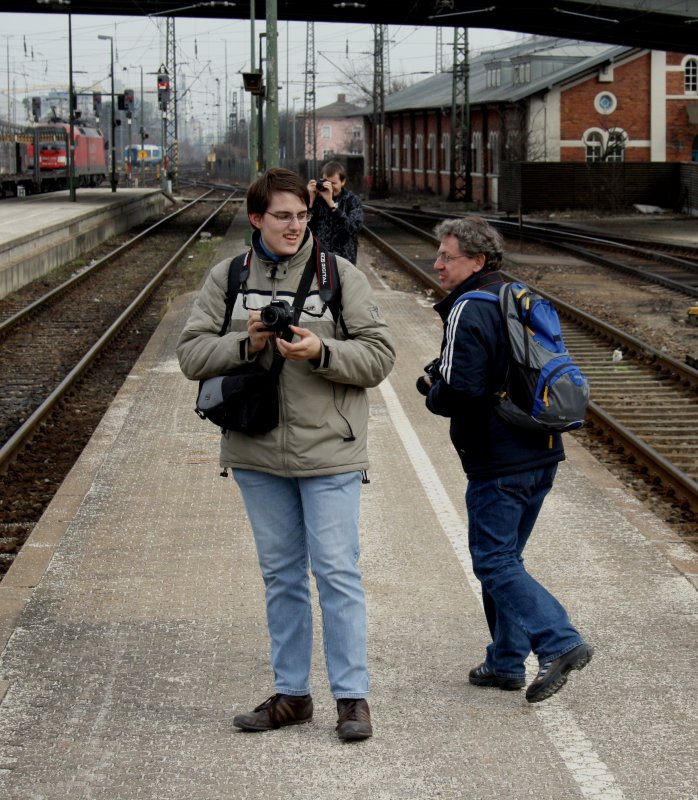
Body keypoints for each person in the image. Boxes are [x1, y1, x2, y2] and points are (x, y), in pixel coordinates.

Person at [177, 168, 395, 739]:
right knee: (282, 577)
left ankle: (352, 698)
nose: (296, 225)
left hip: (329, 451)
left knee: (337, 573)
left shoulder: (340, 277)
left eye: (302, 215)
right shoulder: (228, 277)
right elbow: (191, 355)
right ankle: (292, 695)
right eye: (283, 216)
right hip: (256, 450)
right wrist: (245, 343)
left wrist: (321, 351)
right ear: (257, 219)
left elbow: (379, 357)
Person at [416, 215, 593, 703]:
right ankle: (505, 662)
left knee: (493, 562)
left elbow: (462, 390)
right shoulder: (516, 294)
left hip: (499, 458)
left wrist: (431, 391)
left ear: (476, 260)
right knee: (506, 558)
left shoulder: (468, 308)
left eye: (446, 256)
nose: (438, 264)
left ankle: (558, 641)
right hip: (542, 449)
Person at [307, 160, 363, 264]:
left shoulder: (352, 200)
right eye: (326, 182)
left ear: (343, 182)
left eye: (333, 183)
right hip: (318, 258)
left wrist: (332, 206)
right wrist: (310, 202)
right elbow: (305, 229)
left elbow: (353, 228)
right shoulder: (316, 200)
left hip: (344, 260)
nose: (329, 187)